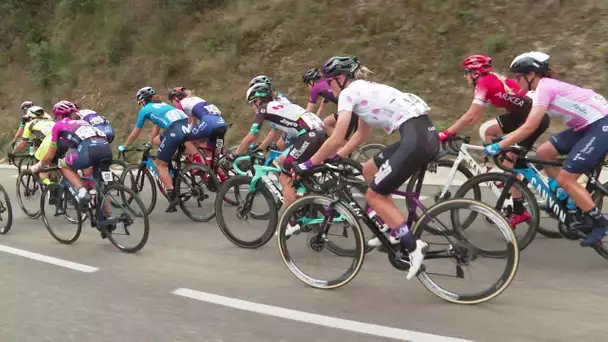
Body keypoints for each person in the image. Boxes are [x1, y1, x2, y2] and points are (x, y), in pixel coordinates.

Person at [292, 55, 438, 280]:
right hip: (422, 133)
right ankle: (392, 228)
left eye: (330, 81)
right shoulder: (362, 89)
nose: (329, 87)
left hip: (416, 138)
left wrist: (309, 163)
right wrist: (337, 157)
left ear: (340, 79)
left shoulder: (349, 94)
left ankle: (412, 246)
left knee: (374, 195)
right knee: (369, 170)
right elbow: (361, 133)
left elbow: (337, 136)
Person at [484, 51, 608, 246]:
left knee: (566, 178)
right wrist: (506, 139)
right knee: (544, 152)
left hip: (600, 125)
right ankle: (565, 194)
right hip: (586, 126)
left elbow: (530, 126)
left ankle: (600, 223)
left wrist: (499, 145)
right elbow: (530, 123)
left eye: (519, 76)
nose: (517, 80)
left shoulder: (545, 88)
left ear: (531, 74)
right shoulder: (544, 88)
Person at [438, 54, 550, 227]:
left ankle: (520, 210)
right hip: (519, 115)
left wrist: (446, 132)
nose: (465, 76)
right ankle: (499, 169)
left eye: (467, 72)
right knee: (486, 130)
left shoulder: (483, 83)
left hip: (532, 119)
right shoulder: (489, 80)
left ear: (475, 73)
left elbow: (470, 115)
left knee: (509, 166)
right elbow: (476, 115)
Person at [233, 82, 325, 231]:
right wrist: (262, 147)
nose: (252, 108)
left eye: (252, 104)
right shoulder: (278, 104)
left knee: (284, 178)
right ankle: (307, 201)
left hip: (308, 136)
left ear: (257, 100)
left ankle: (294, 222)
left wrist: (235, 154)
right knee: (292, 167)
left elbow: (252, 135)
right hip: (318, 132)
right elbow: (276, 132)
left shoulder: (263, 108)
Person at [119, 86, 199, 212]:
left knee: (160, 164)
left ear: (143, 101)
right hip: (187, 127)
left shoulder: (145, 109)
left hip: (174, 130)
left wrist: (125, 146)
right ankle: (178, 168)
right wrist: (150, 142)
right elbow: (157, 129)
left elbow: (136, 132)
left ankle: (173, 197)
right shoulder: (163, 105)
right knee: (157, 141)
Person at [30, 101, 113, 206]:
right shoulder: (82, 122)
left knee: (63, 165)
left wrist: (38, 166)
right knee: (100, 188)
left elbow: (50, 155)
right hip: (106, 147)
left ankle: (82, 192)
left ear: (58, 116)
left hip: (89, 149)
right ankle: (108, 218)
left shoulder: (58, 125)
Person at [167, 86, 225, 168]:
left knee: (186, 138)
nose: (173, 104)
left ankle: (200, 163)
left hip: (209, 123)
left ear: (176, 98)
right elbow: (194, 122)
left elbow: (179, 124)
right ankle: (221, 163)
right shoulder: (196, 99)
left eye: (172, 101)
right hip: (221, 123)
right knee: (213, 149)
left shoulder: (181, 104)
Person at [302, 67, 359, 139]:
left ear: (311, 82)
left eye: (307, 84)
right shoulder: (327, 84)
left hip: (350, 111)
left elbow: (308, 111)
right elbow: (321, 108)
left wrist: (300, 124)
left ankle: (341, 143)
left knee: (326, 124)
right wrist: (316, 121)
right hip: (355, 109)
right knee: (342, 135)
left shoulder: (315, 88)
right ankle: (343, 145)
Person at [247, 75, 293, 152]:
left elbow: (276, 131)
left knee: (281, 159)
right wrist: (262, 147)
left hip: (296, 130)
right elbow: (276, 129)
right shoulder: (277, 98)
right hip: (292, 129)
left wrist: (262, 147)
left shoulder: (270, 104)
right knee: (279, 149)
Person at [12, 106, 56, 185]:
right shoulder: (50, 120)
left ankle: (50, 189)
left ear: (30, 117)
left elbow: (22, 144)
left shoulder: (29, 124)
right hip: (63, 142)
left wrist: (13, 152)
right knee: (53, 165)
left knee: (41, 170)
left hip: (49, 142)